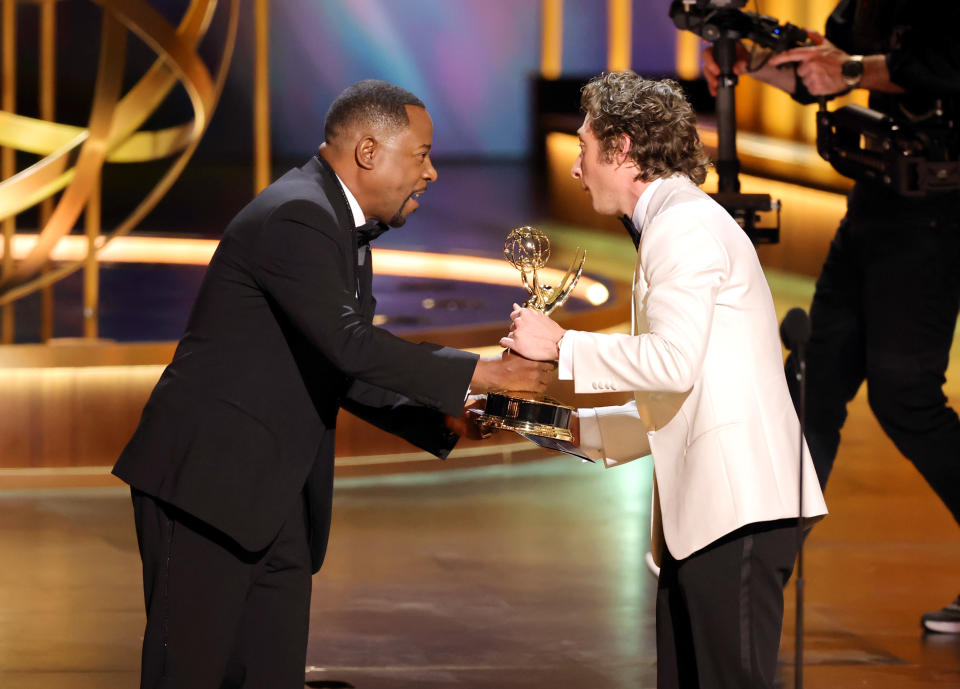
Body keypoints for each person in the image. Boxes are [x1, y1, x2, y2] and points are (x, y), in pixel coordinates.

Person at [113, 79, 554, 689]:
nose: (430, 174)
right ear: (369, 152)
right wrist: (482, 371)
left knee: (272, 673)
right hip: (207, 488)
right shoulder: (298, 215)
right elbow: (348, 343)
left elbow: (336, 363)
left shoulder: (345, 225)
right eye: (421, 155)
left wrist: (440, 415)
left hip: (276, 499)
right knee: (190, 673)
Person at [502, 71, 827, 689]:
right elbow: (680, 396)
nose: (576, 167)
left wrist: (562, 343)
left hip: (739, 511)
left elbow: (670, 362)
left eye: (583, 146)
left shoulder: (682, 225)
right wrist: (550, 422)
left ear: (621, 149)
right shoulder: (674, 221)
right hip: (712, 516)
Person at [703, 0, 960, 634]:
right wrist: (756, 64)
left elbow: (938, 66)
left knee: (905, 397)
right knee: (810, 385)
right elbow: (830, 66)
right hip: (873, 203)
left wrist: (847, 69)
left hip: (936, 212)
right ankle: (753, 578)